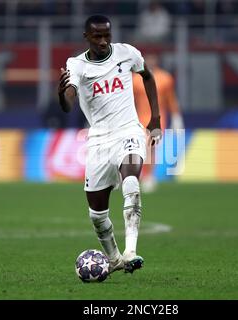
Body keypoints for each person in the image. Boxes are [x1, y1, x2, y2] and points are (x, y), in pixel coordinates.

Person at [58, 15, 161, 275]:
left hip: (129, 130)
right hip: (99, 141)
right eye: (97, 36)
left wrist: (155, 117)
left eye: (107, 35)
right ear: (86, 37)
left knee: (131, 182)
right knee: (97, 215)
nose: (103, 41)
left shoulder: (127, 53)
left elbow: (147, 76)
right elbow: (69, 102)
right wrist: (62, 94)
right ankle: (115, 260)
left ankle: (131, 251)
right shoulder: (77, 65)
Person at [133, 53, 184, 192]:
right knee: (137, 148)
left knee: (150, 147)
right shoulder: (136, 79)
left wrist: (176, 117)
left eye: (153, 58)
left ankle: (149, 176)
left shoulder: (165, 78)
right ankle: (133, 176)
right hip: (138, 118)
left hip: (157, 119)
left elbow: (170, 99)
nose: (150, 61)